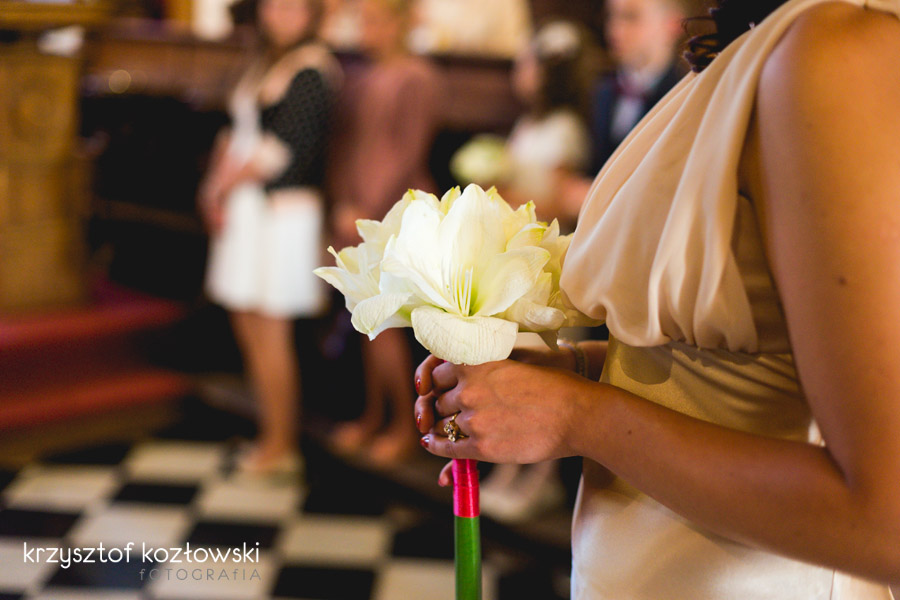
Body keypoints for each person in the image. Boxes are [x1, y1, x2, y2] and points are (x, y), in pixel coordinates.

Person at [415, 0, 900, 597]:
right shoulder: (759, 46)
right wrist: (576, 373)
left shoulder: (836, 53)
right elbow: (749, 366)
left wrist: (578, 415)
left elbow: (884, 523)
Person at [199, 0, 340, 474]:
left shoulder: (312, 71)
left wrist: (222, 184)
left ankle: (282, 444)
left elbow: (282, 152)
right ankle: (268, 435)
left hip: (282, 218)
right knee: (247, 323)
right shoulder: (265, 62)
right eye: (274, 4)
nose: (281, 14)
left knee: (271, 330)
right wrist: (213, 185)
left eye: (293, 6)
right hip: (247, 211)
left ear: (312, 13)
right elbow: (235, 133)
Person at [326, 0, 441, 464]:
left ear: (400, 24)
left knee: (392, 325)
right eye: (362, 19)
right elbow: (348, 145)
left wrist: (366, 210)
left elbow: (407, 153)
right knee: (367, 323)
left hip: (395, 211)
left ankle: (404, 426)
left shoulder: (417, 76)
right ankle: (373, 415)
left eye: (374, 20)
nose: (364, 29)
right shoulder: (362, 74)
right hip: (356, 209)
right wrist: (342, 199)